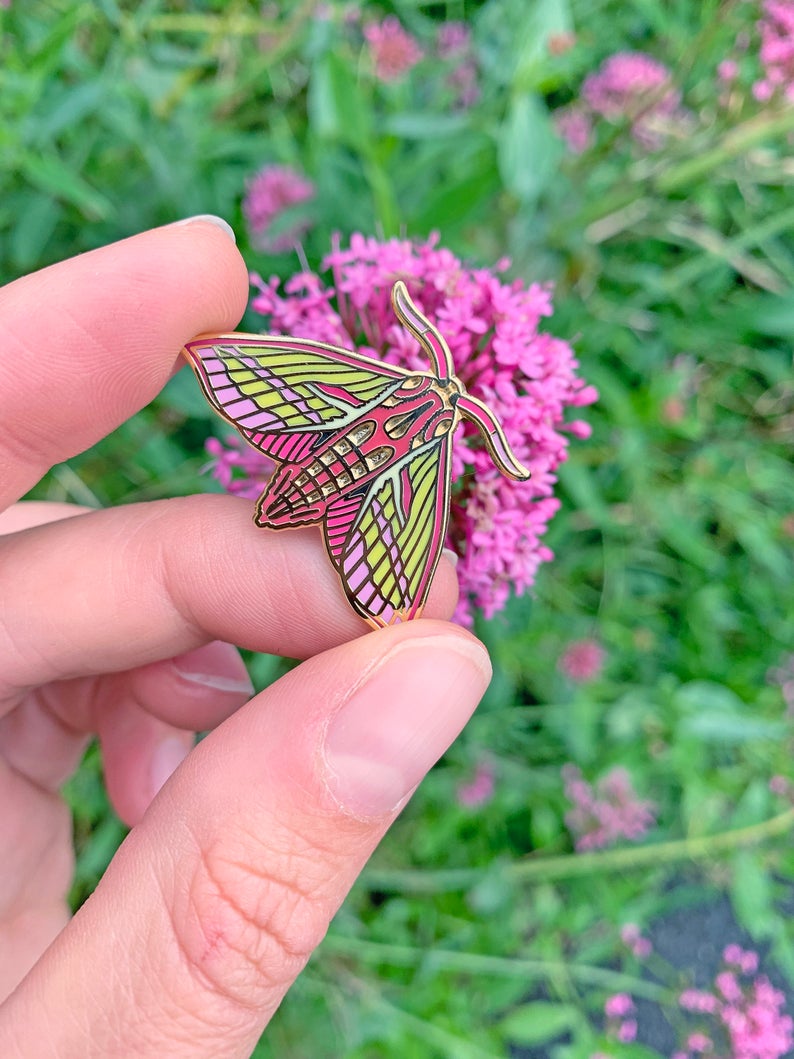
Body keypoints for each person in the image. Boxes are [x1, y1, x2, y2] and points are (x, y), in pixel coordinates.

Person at [0, 217, 491, 1055]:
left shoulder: (380, 383)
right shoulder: (437, 433)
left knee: (349, 570)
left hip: (317, 435)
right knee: (383, 591)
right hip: (353, 497)